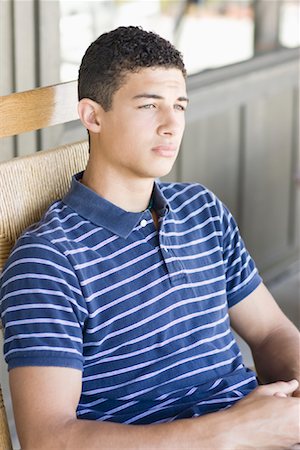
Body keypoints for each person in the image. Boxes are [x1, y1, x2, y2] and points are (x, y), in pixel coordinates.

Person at [0, 26, 299, 450]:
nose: (171, 124)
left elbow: (270, 332)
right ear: (92, 116)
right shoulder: (48, 260)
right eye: (149, 105)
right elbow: (47, 439)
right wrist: (234, 431)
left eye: (179, 105)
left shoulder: (202, 210)